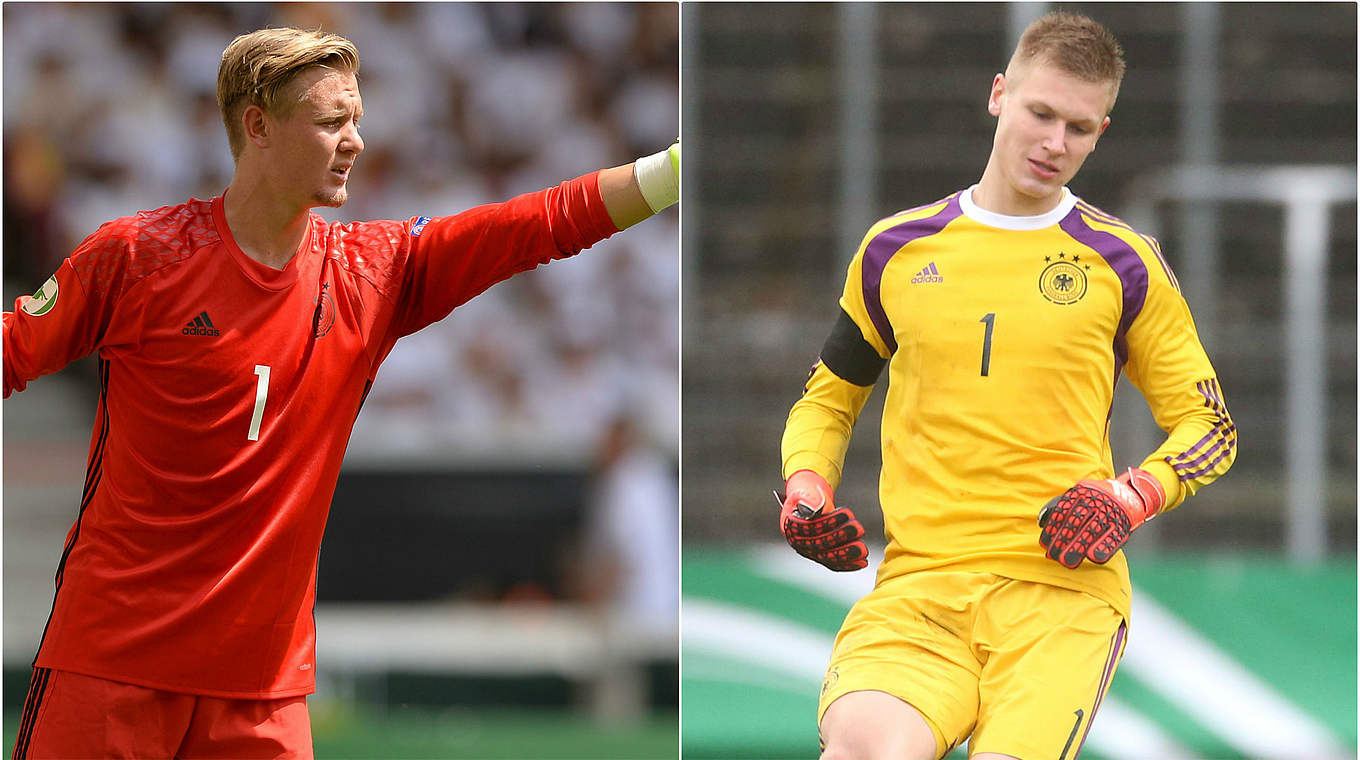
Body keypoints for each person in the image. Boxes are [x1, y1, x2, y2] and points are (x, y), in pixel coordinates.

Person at [4, 26, 677, 759]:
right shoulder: (138, 257)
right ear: (257, 126)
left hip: (261, 699)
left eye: (356, 118)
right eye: (331, 121)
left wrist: (676, 170)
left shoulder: (373, 274)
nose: (355, 139)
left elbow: (538, 226)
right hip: (110, 672)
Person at [777, 12, 1235, 760]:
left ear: (1101, 132)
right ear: (1000, 95)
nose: (1056, 144)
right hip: (920, 590)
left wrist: (1129, 496)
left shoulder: (1125, 263)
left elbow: (1209, 427)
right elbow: (828, 398)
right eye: (1042, 113)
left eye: (1080, 129)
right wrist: (804, 489)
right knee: (862, 752)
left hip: (1062, 599)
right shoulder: (895, 249)